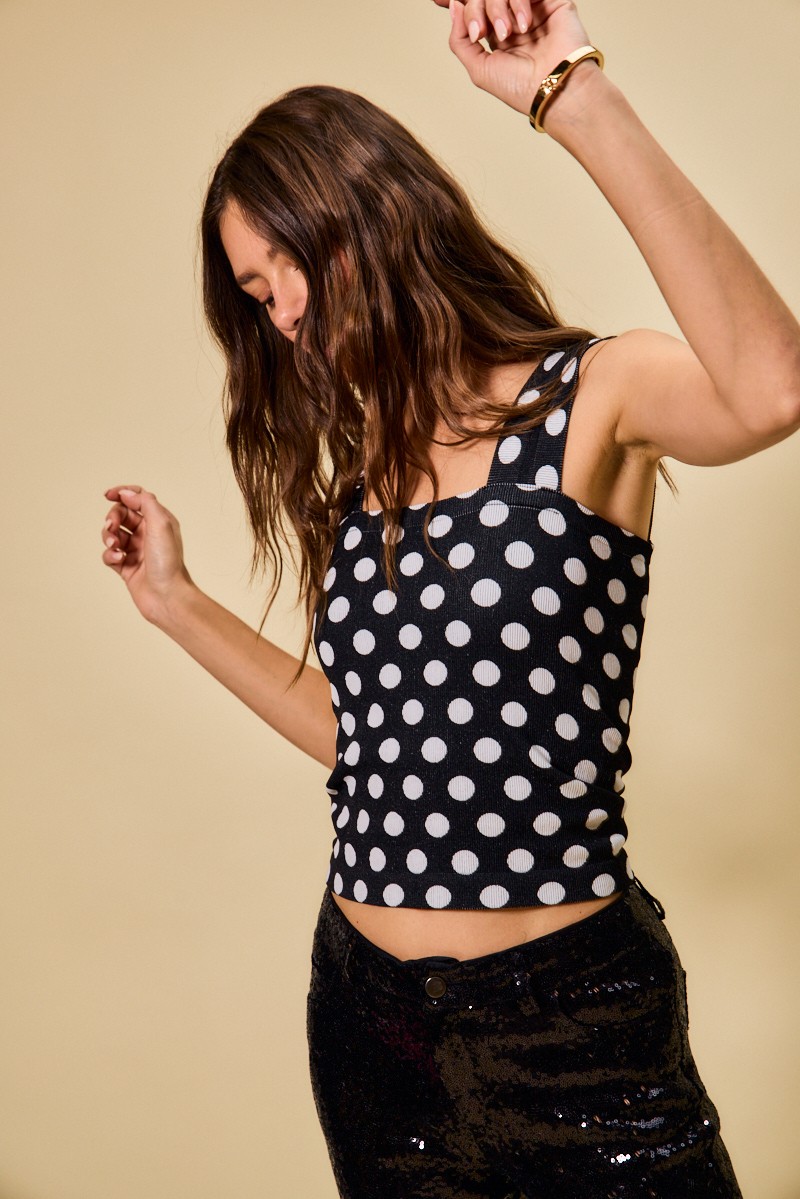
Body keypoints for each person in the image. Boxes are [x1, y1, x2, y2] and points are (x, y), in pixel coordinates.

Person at [101, 1, 800, 1194]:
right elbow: (370, 740)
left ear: (371, 217)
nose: (283, 315)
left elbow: (769, 386)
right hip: (371, 1026)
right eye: (256, 296)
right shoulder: (363, 473)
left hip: (570, 1024)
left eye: (288, 269)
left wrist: (570, 94)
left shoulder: (588, 397)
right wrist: (175, 601)